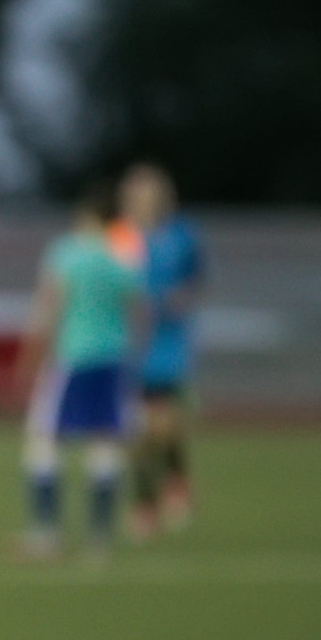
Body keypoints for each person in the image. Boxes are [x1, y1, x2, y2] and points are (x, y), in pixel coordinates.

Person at [15, 184, 142, 559]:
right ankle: (99, 538)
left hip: (74, 357)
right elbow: (138, 308)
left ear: (85, 217)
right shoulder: (121, 257)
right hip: (114, 359)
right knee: (104, 443)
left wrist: (31, 353)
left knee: (43, 440)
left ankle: (45, 532)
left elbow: (50, 304)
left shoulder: (67, 253)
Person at [120, 163, 205, 536]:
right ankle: (145, 501)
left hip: (167, 341)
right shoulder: (120, 236)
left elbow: (196, 278)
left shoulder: (182, 235)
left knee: (165, 424)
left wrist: (180, 298)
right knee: (138, 431)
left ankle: (176, 479)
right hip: (127, 342)